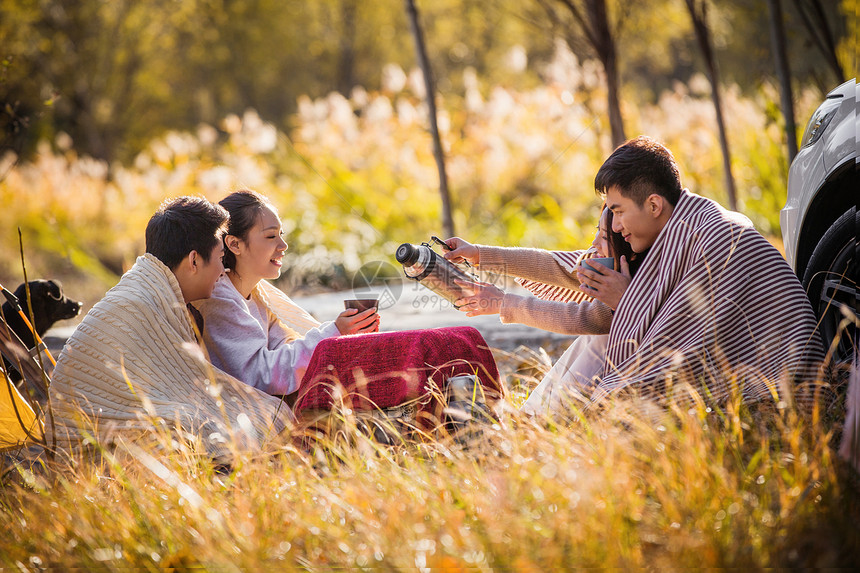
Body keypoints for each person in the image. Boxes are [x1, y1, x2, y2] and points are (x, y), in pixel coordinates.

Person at [584, 136, 824, 405]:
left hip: (787, 386)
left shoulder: (709, 237)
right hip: (784, 378)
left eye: (618, 212)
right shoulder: (682, 231)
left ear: (653, 205)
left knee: (615, 392)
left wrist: (627, 301)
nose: (615, 227)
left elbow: (678, 343)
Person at [47, 197, 291, 458]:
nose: (224, 269)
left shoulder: (153, 292)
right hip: (88, 454)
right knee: (257, 425)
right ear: (194, 261)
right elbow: (180, 398)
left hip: (85, 443)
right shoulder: (142, 303)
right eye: (221, 257)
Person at [443, 208, 643, 414]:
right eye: (596, 231)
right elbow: (555, 266)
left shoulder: (642, 275)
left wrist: (503, 303)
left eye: (603, 236)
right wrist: (478, 254)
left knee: (603, 337)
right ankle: (530, 416)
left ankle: (539, 419)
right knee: (593, 338)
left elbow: (585, 318)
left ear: (627, 240)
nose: (594, 243)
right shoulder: (623, 261)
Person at [194, 190, 379, 397]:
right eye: (271, 236)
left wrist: (344, 333)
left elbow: (286, 344)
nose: (283, 246)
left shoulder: (258, 295)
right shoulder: (220, 299)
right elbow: (263, 376)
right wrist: (333, 332)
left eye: (281, 235)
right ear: (234, 244)